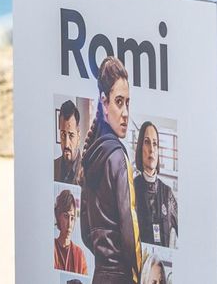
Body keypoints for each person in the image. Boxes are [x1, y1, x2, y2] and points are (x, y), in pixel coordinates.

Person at [80, 57, 141, 284]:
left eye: (127, 103)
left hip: (99, 276)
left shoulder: (90, 156)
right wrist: (138, 271)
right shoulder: (118, 157)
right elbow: (130, 229)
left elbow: (86, 231)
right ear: (104, 103)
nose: (125, 112)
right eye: (118, 102)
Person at [133, 120, 179, 248]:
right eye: (147, 142)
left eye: (155, 144)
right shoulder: (131, 189)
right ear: (140, 148)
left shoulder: (167, 193)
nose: (151, 149)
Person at [53, 188, 89, 273]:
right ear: (58, 216)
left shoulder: (79, 254)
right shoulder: (51, 247)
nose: (69, 224)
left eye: (72, 218)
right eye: (66, 216)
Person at [53, 99, 82, 185]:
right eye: (63, 135)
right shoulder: (53, 166)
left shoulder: (88, 171)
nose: (66, 144)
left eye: (71, 135)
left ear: (78, 136)